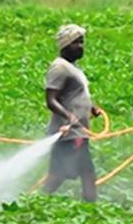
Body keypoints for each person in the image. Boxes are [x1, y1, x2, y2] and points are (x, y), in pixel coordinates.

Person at [44, 24, 103, 202]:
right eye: (76, 43)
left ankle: (38, 201)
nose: (81, 47)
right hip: (69, 133)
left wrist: (91, 107)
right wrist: (69, 116)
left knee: (73, 173)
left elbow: (76, 94)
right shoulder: (59, 68)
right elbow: (51, 100)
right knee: (76, 174)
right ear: (65, 45)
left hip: (78, 131)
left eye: (82, 42)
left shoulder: (72, 68)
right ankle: (90, 210)